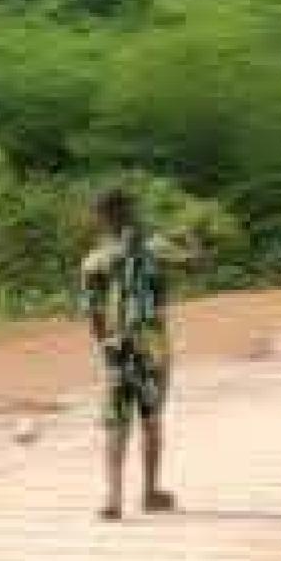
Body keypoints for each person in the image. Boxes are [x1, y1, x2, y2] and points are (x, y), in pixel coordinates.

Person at [81, 188, 177, 522]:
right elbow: (195, 262)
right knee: (151, 418)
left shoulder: (95, 259)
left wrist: (104, 343)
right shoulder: (156, 248)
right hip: (152, 345)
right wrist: (194, 243)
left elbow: (92, 311)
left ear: (101, 217)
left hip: (117, 345)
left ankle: (113, 498)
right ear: (131, 211)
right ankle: (150, 491)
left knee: (116, 422)